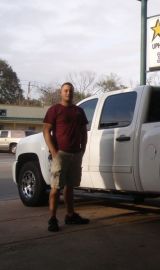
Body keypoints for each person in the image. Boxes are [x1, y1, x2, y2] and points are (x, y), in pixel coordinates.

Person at [43, 82, 89, 232]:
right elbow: (46, 131)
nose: (68, 93)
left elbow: (84, 132)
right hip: (60, 154)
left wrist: (83, 150)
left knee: (70, 186)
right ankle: (52, 218)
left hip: (76, 154)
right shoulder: (54, 110)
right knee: (56, 187)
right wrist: (54, 152)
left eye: (70, 91)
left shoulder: (79, 111)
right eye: (65, 90)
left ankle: (70, 215)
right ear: (61, 93)